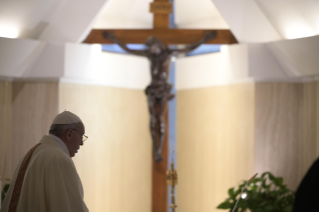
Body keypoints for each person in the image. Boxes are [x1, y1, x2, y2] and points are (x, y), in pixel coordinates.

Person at [103, 31, 217, 162]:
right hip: (152, 89)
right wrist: (115, 40)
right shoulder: (150, 55)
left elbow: (188, 48)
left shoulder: (168, 54)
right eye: (150, 48)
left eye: (153, 47)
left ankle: (159, 149)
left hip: (163, 90)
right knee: (152, 119)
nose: (152, 49)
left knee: (160, 118)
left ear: (158, 45)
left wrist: (204, 39)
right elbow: (129, 50)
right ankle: (155, 148)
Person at [0, 111, 89, 212]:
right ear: (69, 134)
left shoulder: (32, 153)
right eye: (81, 136)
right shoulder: (59, 159)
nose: (81, 143)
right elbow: (70, 207)